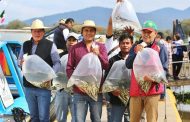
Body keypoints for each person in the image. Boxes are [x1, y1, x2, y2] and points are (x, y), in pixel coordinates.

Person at [18, 19, 61, 122]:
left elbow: (57, 63)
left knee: (44, 118)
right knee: (34, 117)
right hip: (28, 87)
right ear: (31, 32)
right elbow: (19, 61)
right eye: (35, 31)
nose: (37, 33)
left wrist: (50, 76)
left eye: (40, 31)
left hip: (44, 88)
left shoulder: (51, 45)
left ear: (43, 32)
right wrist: (20, 63)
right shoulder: (25, 44)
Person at [125, 20, 168, 122]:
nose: (146, 34)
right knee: (134, 119)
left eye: (149, 32)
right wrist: (136, 53)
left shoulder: (160, 48)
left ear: (155, 34)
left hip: (153, 90)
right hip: (136, 90)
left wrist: (154, 79)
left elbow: (164, 69)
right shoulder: (136, 46)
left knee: (152, 119)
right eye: (144, 32)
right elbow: (128, 64)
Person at [66, 20, 109, 122]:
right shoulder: (75, 48)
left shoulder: (101, 47)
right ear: (82, 32)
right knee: (78, 119)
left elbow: (106, 66)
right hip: (79, 91)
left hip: (96, 91)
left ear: (95, 33)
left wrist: (99, 54)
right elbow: (69, 68)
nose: (88, 33)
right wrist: (77, 84)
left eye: (91, 30)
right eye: (86, 30)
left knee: (96, 119)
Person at [104, 33, 133, 122]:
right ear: (119, 45)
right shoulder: (112, 60)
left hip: (133, 97)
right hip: (116, 98)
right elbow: (107, 79)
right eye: (123, 43)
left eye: (127, 43)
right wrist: (112, 90)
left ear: (132, 44)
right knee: (115, 119)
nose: (125, 45)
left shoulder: (136, 59)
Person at [54, 32, 79, 122]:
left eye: (74, 40)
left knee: (76, 118)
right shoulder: (59, 56)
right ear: (66, 42)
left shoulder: (81, 55)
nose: (71, 42)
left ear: (77, 42)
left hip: (76, 92)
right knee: (60, 118)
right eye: (69, 40)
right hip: (61, 91)